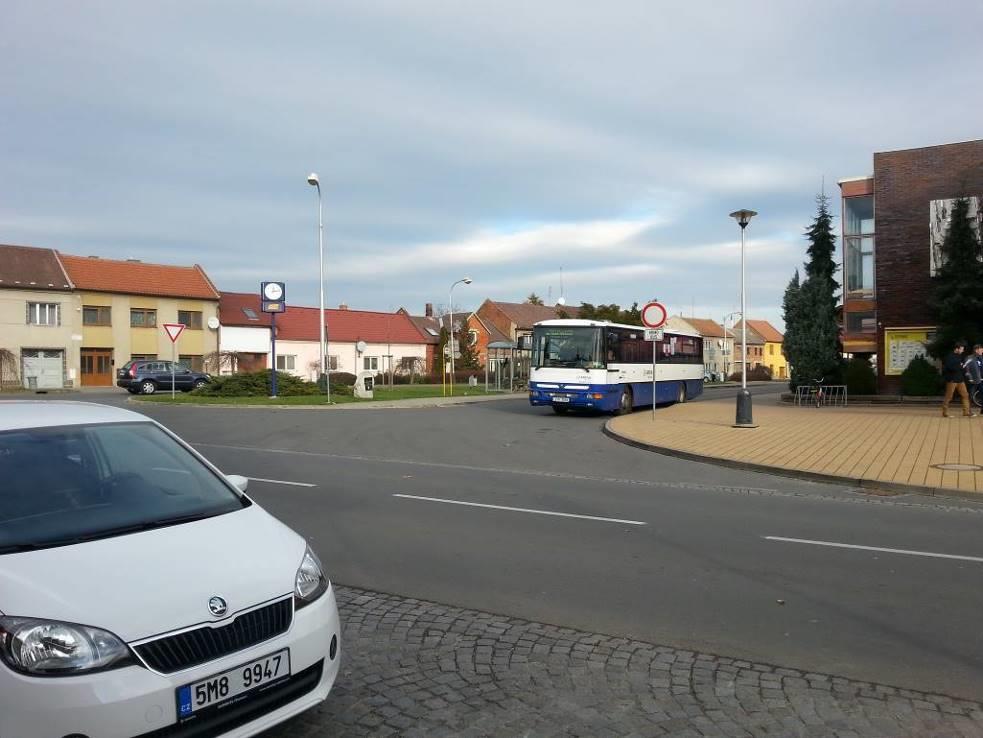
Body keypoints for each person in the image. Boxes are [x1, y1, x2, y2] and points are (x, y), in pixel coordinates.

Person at [942, 341, 975, 417]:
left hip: (960, 379)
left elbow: (961, 366)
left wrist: (963, 369)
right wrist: (959, 366)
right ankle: (945, 413)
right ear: (957, 349)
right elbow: (949, 367)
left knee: (965, 395)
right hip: (952, 379)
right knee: (949, 396)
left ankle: (966, 412)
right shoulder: (950, 356)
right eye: (961, 349)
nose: (962, 351)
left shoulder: (960, 356)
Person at [965, 344, 983, 409]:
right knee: (970, 395)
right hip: (973, 380)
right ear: (976, 350)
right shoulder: (970, 358)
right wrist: (970, 378)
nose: (982, 351)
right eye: (981, 350)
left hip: (980, 379)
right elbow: (966, 369)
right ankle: (968, 410)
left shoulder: (981, 357)